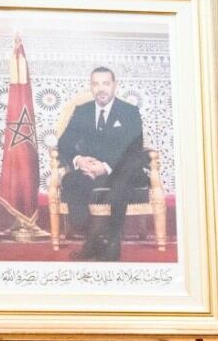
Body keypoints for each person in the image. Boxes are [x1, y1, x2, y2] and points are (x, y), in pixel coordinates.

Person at [54, 66, 149, 260]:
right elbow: (64, 143)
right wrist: (79, 160)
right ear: (91, 86)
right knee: (71, 181)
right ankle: (93, 238)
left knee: (121, 184)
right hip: (89, 170)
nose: (101, 89)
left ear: (115, 85)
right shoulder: (82, 111)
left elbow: (134, 148)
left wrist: (105, 167)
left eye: (106, 83)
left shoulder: (129, 111)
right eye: (96, 84)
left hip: (121, 169)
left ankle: (111, 246)